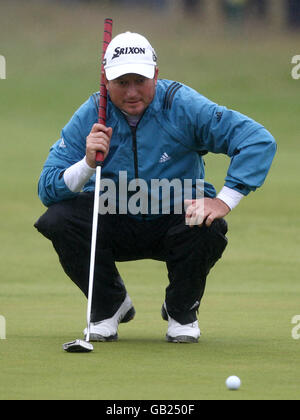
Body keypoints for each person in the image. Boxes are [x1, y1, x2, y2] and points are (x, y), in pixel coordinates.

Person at [34, 32, 276, 344]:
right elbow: (47, 189)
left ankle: (181, 309)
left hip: (175, 220)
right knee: (58, 219)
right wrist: (86, 164)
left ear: (156, 75)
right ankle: (108, 305)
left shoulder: (182, 105)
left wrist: (224, 201)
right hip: (114, 217)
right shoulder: (92, 113)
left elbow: (257, 140)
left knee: (208, 225)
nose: (132, 92)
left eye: (141, 80)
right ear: (106, 81)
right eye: (122, 82)